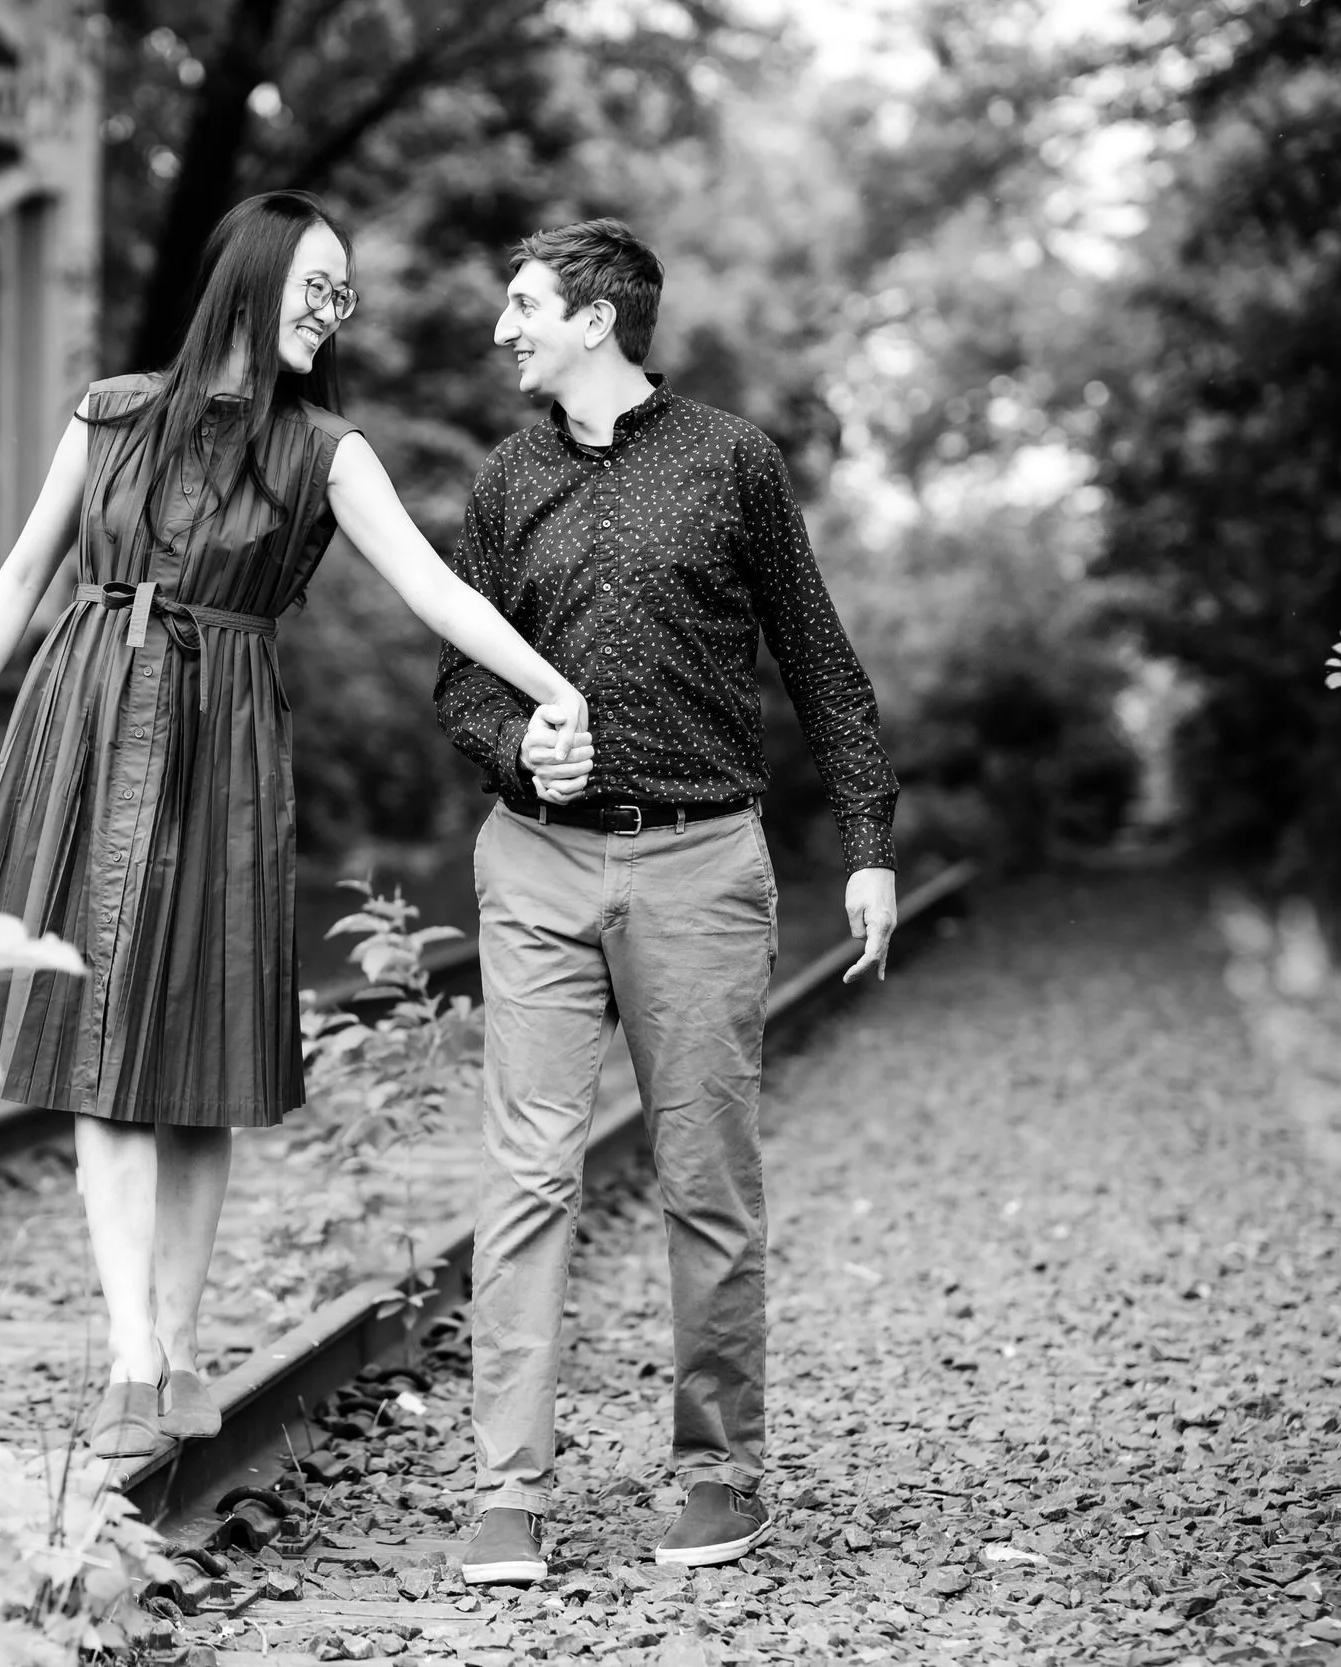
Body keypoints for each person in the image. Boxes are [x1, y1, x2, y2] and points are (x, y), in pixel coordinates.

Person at [0, 191, 591, 1461]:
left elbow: (437, 591)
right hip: (85, 719)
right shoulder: (107, 413)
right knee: (93, 1039)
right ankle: (131, 1358)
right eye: (318, 284)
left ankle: (171, 1346)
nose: (334, 312)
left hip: (219, 742)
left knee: (198, 1054)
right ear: (255, 274)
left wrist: (552, 684)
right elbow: (18, 576)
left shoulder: (329, 451)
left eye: (345, 297)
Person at [436, 219, 900, 1582]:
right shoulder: (503, 479)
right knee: (526, 1177)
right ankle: (507, 1491)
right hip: (533, 858)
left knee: (705, 1175)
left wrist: (867, 835)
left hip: (702, 864)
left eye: (523, 305)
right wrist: (519, 741)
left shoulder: (733, 462)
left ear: (595, 315)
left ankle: (720, 1471)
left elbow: (820, 656)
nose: (504, 328)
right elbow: (465, 682)